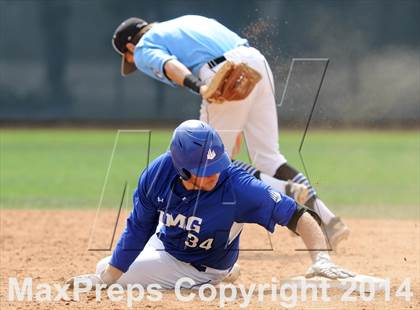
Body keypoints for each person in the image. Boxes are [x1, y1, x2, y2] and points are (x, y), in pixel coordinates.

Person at [111, 15, 349, 249]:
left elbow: (169, 65)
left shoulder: (143, 46)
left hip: (223, 74)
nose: (135, 61)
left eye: (129, 57)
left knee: (205, 162)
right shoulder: (186, 22)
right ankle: (329, 221)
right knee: (269, 157)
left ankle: (284, 189)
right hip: (255, 63)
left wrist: (200, 86)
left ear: (130, 46)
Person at [67, 120, 354, 288]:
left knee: (109, 269)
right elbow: (138, 227)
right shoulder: (157, 173)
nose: (213, 175)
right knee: (109, 268)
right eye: (205, 172)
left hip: (199, 265)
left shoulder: (238, 186)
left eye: (217, 165)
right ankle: (226, 272)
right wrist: (104, 279)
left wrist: (321, 259)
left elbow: (299, 214)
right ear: (182, 169)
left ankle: (215, 278)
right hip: (165, 243)